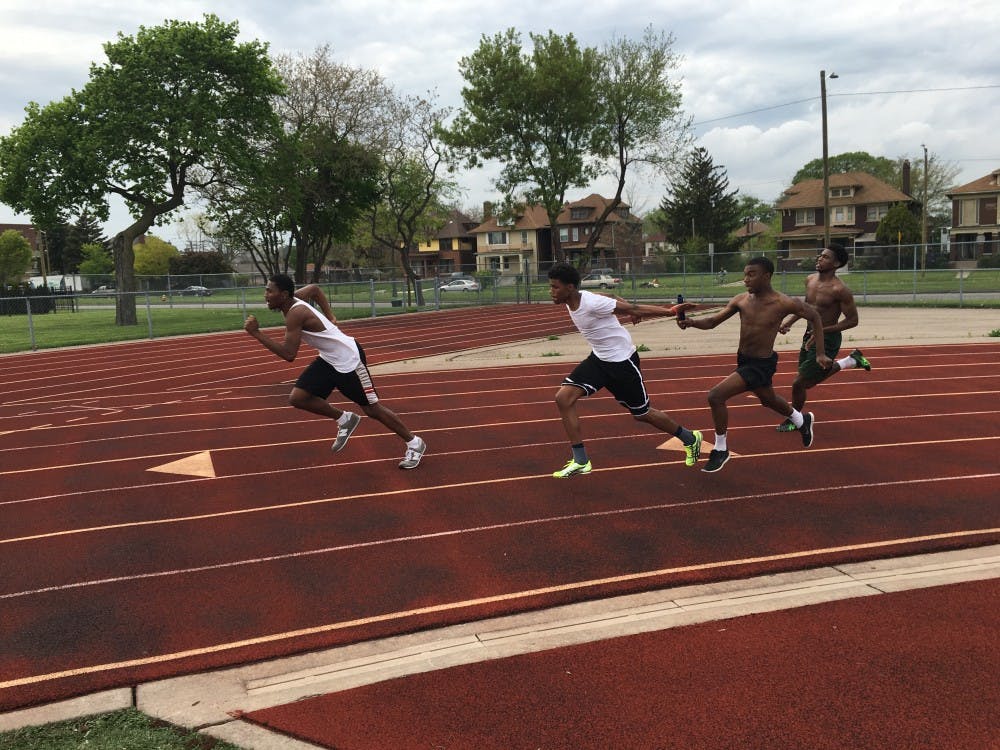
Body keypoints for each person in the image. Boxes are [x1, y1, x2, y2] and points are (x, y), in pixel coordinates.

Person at [244, 274, 426, 469]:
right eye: (266, 290)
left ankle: (415, 443)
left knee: (372, 409)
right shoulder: (293, 299)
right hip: (329, 359)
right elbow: (314, 288)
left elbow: (289, 354)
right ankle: (345, 419)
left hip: (349, 360)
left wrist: (257, 334)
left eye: (269, 291)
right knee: (298, 398)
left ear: (284, 294)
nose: (265, 295)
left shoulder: (295, 314)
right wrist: (329, 315)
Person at [547, 262, 701, 477]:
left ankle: (690, 439)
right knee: (563, 398)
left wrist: (670, 311)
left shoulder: (591, 303)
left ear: (570, 287)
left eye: (555, 287)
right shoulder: (576, 297)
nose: (551, 292)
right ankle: (581, 461)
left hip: (622, 362)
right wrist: (623, 301)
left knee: (643, 414)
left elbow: (634, 310)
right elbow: (605, 295)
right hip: (599, 360)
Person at [677, 257, 830, 473]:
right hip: (744, 359)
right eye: (745, 274)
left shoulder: (783, 303)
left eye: (751, 274)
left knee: (716, 396)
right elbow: (712, 322)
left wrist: (820, 353)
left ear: (766, 276)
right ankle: (801, 420)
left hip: (760, 365)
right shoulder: (741, 300)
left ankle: (721, 449)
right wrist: (691, 323)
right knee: (768, 400)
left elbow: (815, 316)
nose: (745, 279)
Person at [775, 243, 871, 432]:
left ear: (836, 263)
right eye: (820, 255)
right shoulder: (809, 279)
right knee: (807, 383)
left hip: (828, 339)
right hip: (808, 335)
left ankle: (796, 420)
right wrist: (790, 321)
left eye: (825, 257)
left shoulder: (840, 290)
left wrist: (823, 331)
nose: (820, 258)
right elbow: (807, 306)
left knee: (799, 383)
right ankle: (850, 360)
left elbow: (852, 321)